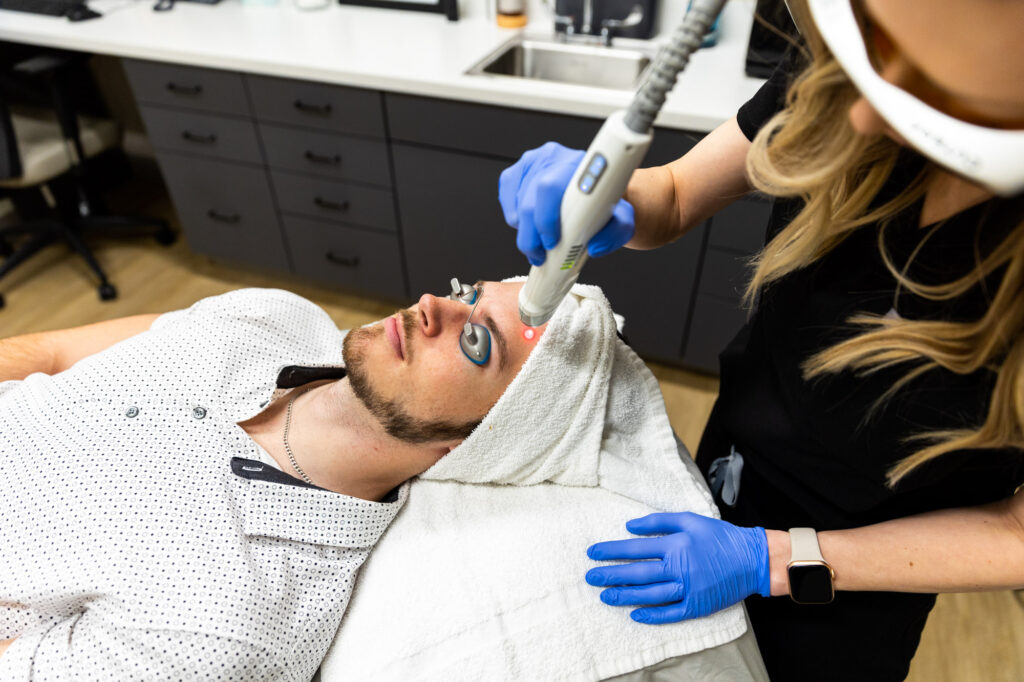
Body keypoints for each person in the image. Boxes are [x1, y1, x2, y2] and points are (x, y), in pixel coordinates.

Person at [497, 0, 1024, 680]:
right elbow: (680, 193)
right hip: (728, 473)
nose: (856, 115)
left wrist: (771, 560)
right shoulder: (853, 67)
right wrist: (618, 198)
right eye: (872, 43)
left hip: (857, 587)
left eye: (934, 89)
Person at [0, 281, 547, 679]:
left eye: (477, 343)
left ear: (477, 442)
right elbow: (52, 353)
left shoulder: (222, 626)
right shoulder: (277, 315)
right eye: (467, 294)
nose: (432, 306)